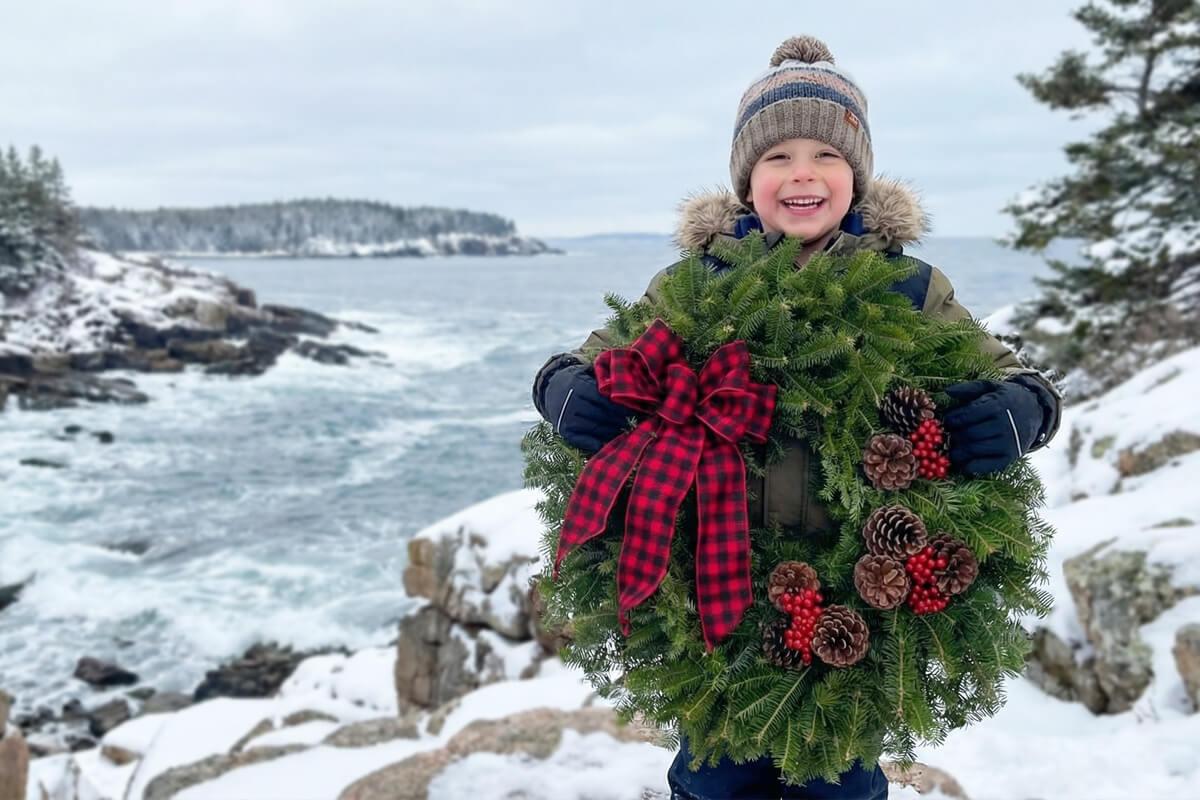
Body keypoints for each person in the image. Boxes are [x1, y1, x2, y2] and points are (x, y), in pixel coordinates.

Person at [531, 34, 1062, 800]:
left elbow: (1006, 371)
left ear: (858, 176)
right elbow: (590, 358)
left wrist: (1024, 408)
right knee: (713, 775)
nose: (802, 173)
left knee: (841, 779)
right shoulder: (695, 282)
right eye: (777, 158)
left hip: (858, 597)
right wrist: (564, 391)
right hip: (718, 588)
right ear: (748, 181)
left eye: (827, 155)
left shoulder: (909, 288)